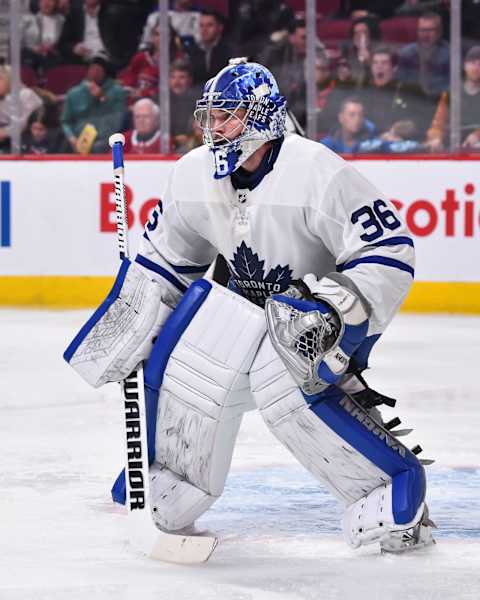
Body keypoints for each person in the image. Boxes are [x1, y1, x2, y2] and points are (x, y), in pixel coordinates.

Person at [64, 58, 435, 555]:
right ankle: (169, 479)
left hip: (303, 323)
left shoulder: (316, 171)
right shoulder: (193, 173)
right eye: (210, 116)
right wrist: (135, 317)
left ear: (261, 117)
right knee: (183, 360)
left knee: (286, 376)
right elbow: (165, 263)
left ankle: (391, 490)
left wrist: (333, 309)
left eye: (227, 116)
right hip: (236, 317)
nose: (213, 128)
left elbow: (389, 249)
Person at [357, 46, 437, 141]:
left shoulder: (409, 91)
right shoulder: (363, 92)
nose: (379, 66)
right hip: (367, 145)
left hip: (401, 145)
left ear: (394, 67)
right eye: (375, 63)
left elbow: (425, 119)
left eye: (384, 63)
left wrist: (403, 129)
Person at [61, 52, 127, 153]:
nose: (95, 73)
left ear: (105, 71)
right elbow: (66, 121)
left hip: (106, 139)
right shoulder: (74, 93)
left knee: (99, 147)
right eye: (92, 69)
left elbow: (118, 119)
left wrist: (102, 98)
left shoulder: (117, 91)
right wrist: (71, 137)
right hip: (79, 140)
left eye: (99, 70)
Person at [425, 45, 480, 151]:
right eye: (473, 63)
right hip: (455, 144)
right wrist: (436, 138)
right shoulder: (452, 92)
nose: (477, 67)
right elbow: (438, 124)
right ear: (465, 66)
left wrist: (477, 135)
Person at [397, 12, 450, 97]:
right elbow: (400, 82)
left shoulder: (449, 55)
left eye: (430, 30)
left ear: (439, 32)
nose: (425, 34)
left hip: (439, 101)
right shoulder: (406, 53)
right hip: (412, 100)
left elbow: (453, 88)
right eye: (422, 30)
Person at [0, 64, 43, 153]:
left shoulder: (26, 94)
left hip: (29, 139)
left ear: (9, 79)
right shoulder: (2, 97)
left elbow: (24, 124)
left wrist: (5, 132)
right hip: (8, 140)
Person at [185, 10, 233, 84]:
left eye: (209, 25)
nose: (204, 30)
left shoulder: (230, 50)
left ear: (220, 27)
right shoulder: (192, 51)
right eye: (201, 26)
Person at [21, 0, 65, 73]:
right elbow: (19, 43)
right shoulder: (28, 20)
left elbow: (64, 42)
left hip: (54, 58)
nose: (46, 2)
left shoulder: (62, 20)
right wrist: (33, 48)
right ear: (38, 2)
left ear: (55, 3)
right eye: (43, 0)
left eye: (51, 0)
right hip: (33, 56)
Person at [57, 0, 105, 65]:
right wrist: (75, 48)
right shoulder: (74, 13)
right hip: (82, 60)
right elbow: (62, 44)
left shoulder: (113, 12)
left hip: (106, 59)